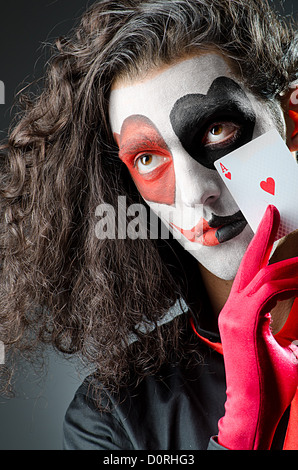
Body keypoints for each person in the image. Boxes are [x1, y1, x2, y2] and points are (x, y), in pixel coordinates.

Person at [0, 0, 298, 450]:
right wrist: (242, 431)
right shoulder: (113, 418)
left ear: (293, 119)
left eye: (217, 129)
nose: (196, 192)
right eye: (148, 158)